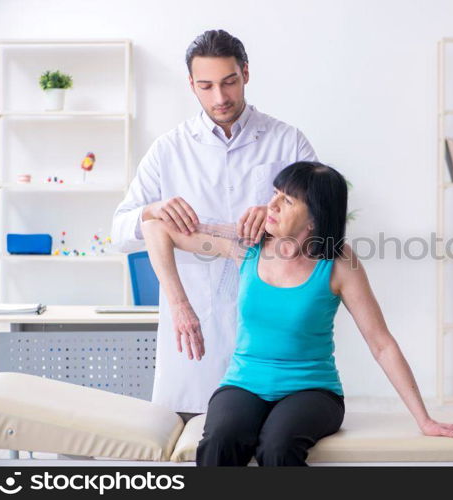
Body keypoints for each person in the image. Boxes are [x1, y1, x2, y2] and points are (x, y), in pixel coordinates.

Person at [141, 161, 453, 466]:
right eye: (275, 193)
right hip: (244, 383)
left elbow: (381, 343)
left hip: (312, 391)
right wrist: (179, 303)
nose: (271, 205)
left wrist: (424, 419)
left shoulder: (339, 264)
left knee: (277, 449)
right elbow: (155, 228)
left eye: (287, 200)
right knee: (220, 442)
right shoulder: (246, 245)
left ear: (313, 219)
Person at [110, 29, 317, 422]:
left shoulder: (287, 142)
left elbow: (324, 223)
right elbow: (119, 231)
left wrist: (280, 216)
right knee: (198, 445)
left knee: (271, 443)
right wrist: (153, 209)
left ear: (246, 74)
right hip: (194, 333)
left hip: (268, 322)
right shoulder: (169, 149)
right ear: (191, 85)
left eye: (229, 82)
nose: (219, 98)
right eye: (205, 86)